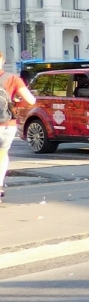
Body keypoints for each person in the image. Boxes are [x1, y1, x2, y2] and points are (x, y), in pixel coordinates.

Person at [0, 54, 36, 204]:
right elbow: (31, 100)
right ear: (2, 61)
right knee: (2, 154)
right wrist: (15, 105)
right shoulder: (12, 78)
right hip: (7, 124)